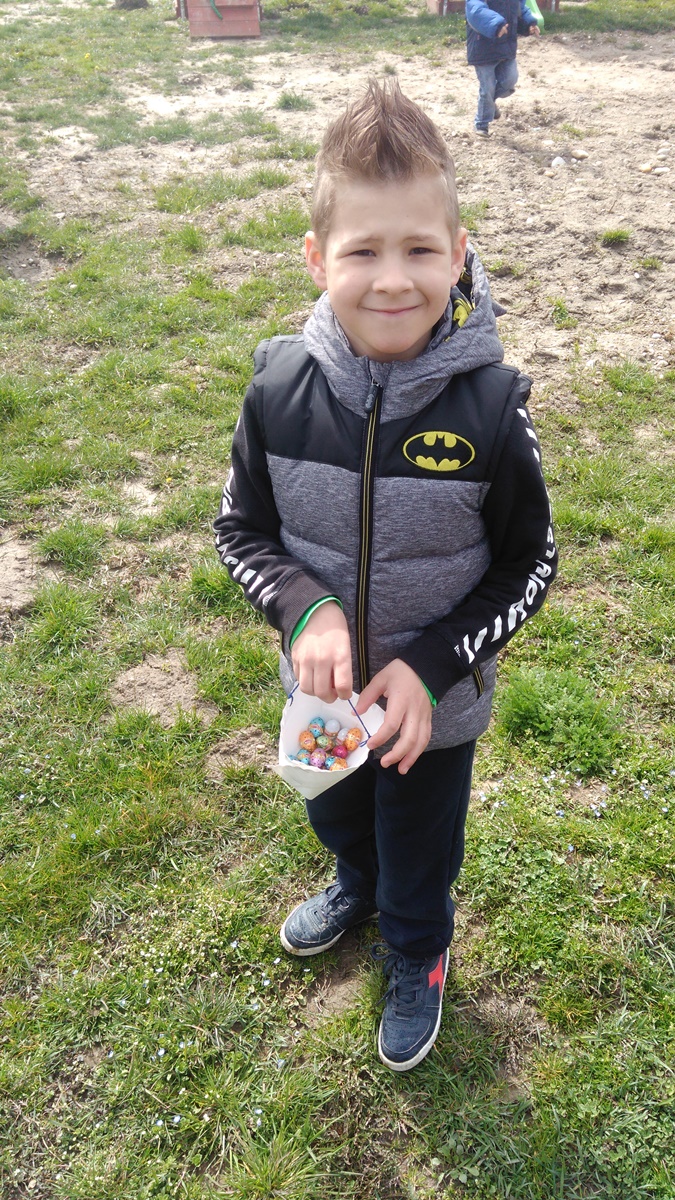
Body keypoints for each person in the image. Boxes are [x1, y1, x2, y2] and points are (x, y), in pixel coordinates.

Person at [214, 80, 557, 1072]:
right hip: (318, 697)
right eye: (363, 251)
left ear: (458, 252)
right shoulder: (277, 389)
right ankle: (355, 885)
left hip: (429, 714)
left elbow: (530, 561)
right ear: (317, 258)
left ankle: (417, 948)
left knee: (419, 841)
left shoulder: (490, 409)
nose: (393, 280)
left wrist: (434, 665)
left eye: (419, 250)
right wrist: (303, 610)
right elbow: (239, 530)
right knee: (334, 809)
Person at [466, 0, 540, 138]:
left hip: (506, 45)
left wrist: (529, 23)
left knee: (510, 80)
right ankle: (481, 124)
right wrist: (496, 24)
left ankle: (489, 104)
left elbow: (520, 8)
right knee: (487, 87)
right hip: (483, 46)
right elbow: (475, 9)